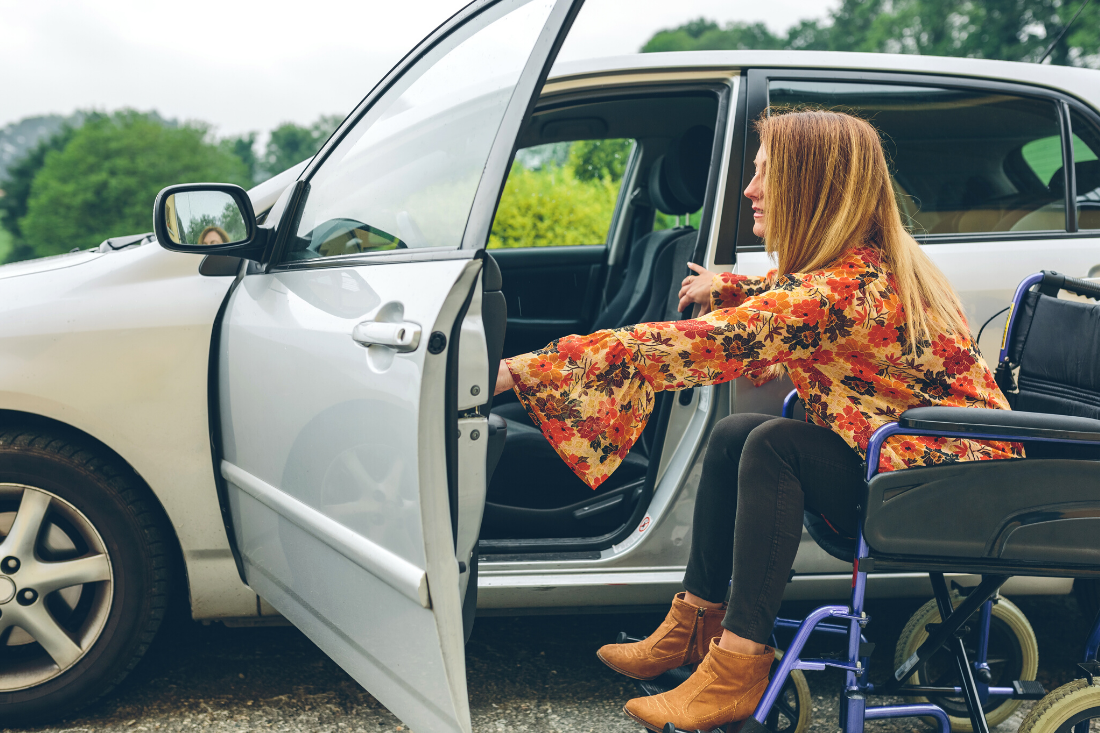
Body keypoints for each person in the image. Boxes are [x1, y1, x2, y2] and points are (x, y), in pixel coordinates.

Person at [493, 109, 1021, 733]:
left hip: (949, 490)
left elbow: (709, 340)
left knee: (776, 444)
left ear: (813, 189)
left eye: (765, 175)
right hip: (916, 465)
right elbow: (791, 300)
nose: (750, 190)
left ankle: (739, 664)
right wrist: (731, 286)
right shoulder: (860, 270)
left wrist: (522, 372)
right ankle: (694, 624)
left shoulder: (848, 294)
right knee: (734, 434)